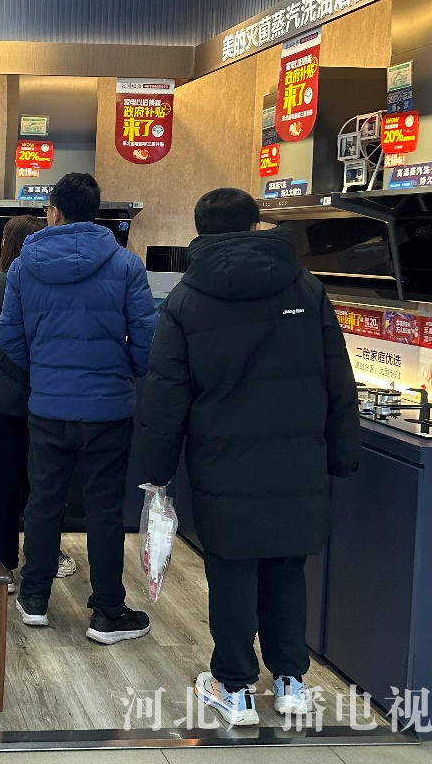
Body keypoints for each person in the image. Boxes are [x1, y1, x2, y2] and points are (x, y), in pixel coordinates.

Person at [136, 187, 360, 727]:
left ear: (200, 231)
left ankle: (234, 687)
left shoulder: (186, 299)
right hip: (297, 459)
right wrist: (342, 452)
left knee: (232, 570)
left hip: (223, 463)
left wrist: (156, 471)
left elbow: (166, 394)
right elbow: (338, 376)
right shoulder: (306, 288)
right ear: (256, 225)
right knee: (286, 566)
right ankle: (290, 682)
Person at [0, 172, 159, 644]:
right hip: (109, 410)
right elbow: (147, 338)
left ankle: (34, 598)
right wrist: (124, 369)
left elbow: (9, 334)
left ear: (55, 212)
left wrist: (43, 369)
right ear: (96, 212)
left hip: (49, 407)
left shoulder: (24, 266)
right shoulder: (125, 264)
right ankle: (107, 612)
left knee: (43, 502)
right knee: (105, 511)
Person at [0, 215, 79, 588]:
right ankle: (47, 557)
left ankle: (2, 566)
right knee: (47, 486)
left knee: (2, 486)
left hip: (3, 406)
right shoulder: (63, 286)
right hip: (52, 401)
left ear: (9, 246)